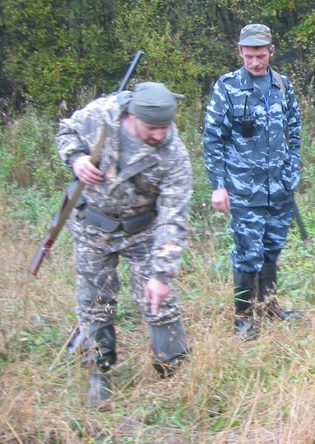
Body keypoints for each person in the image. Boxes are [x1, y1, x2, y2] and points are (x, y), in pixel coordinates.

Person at [57, 82, 193, 405]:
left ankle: (173, 370)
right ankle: (99, 372)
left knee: (159, 301)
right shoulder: (101, 115)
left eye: (165, 126)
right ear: (132, 115)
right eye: (152, 128)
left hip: (142, 231)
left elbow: (173, 217)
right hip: (93, 228)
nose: (160, 134)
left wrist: (161, 275)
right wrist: (76, 158)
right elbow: (66, 132)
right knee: (96, 302)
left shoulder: (174, 155)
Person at [203, 23, 302, 342]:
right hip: (244, 189)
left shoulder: (282, 85)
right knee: (248, 253)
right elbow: (213, 139)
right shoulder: (227, 86)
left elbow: (295, 130)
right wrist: (218, 185)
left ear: (271, 51)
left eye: (260, 56)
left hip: (279, 188)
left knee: (272, 249)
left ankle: (269, 305)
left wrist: (292, 169)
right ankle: (243, 319)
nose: (255, 62)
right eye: (249, 56)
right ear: (240, 53)